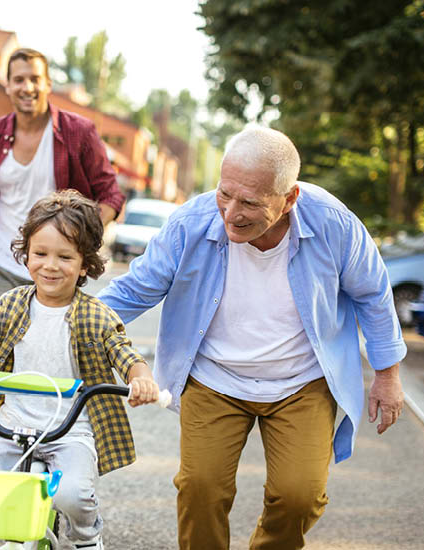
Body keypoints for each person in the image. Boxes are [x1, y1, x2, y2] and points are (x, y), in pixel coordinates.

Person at [97, 126, 406, 550]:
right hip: (214, 377)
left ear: (289, 198)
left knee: (300, 496)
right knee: (200, 488)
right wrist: (66, 321)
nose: (231, 213)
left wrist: (388, 376)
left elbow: (373, 294)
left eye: (250, 203)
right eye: (225, 194)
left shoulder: (335, 225)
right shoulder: (191, 222)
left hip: (302, 380)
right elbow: (134, 289)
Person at [0, 190, 159, 550]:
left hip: (71, 432)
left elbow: (124, 353)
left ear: (84, 264)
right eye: (41, 254)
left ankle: (86, 534)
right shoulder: (13, 304)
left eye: (65, 257)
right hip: (12, 428)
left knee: (72, 495)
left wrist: (140, 379)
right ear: (26, 255)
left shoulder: (96, 315)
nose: (50, 266)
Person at [0, 47, 124, 467]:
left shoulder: (77, 132)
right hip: (1, 259)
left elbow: (111, 195)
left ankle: (57, 453)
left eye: (35, 78)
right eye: (18, 79)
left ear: (48, 84)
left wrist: (80, 238)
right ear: (7, 84)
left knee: (61, 358)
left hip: (57, 265)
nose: (27, 86)